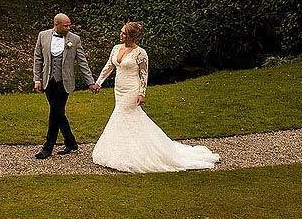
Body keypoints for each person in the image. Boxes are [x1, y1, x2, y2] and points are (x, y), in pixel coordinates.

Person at [90, 21, 221, 173]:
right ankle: (127, 148)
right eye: (121, 32)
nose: (120, 35)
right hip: (118, 89)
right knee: (128, 117)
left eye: (124, 33)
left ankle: (130, 154)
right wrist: (99, 82)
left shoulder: (140, 53)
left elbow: (144, 74)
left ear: (131, 37)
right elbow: (109, 66)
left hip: (132, 89)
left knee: (122, 115)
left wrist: (141, 93)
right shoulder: (116, 48)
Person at [31, 12, 93, 159]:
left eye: (69, 25)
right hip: (48, 81)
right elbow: (38, 58)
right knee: (58, 113)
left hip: (64, 82)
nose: (68, 27)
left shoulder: (74, 39)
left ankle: (48, 148)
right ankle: (71, 142)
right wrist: (37, 79)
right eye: (65, 25)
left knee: (54, 113)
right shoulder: (43, 36)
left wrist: (90, 82)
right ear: (56, 25)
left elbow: (82, 62)